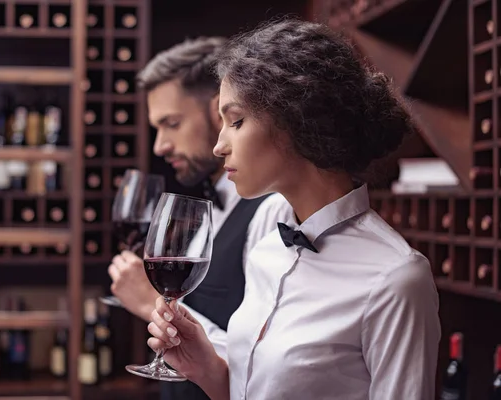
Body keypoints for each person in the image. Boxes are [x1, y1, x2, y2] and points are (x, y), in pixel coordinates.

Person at [146, 18, 441, 400]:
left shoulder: (396, 279)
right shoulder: (268, 250)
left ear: (294, 119)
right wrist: (208, 369)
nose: (220, 146)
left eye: (235, 121)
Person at [107, 36, 292, 400]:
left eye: (171, 123)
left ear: (217, 111)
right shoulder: (206, 203)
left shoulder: (274, 209)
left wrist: (149, 303)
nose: (160, 145)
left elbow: (264, 370)